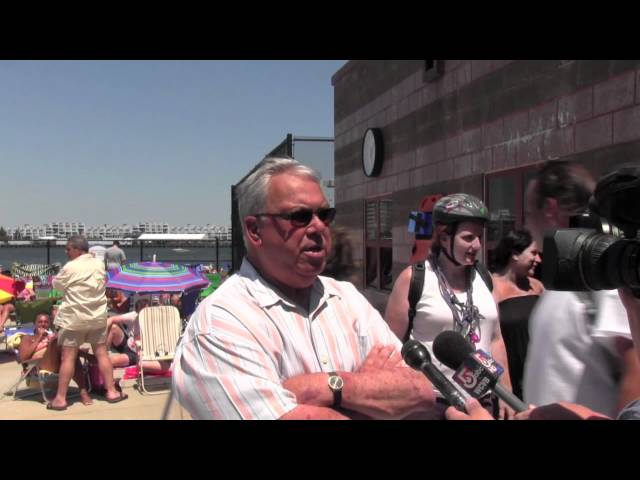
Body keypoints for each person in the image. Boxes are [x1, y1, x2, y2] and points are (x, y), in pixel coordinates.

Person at [172, 156, 437, 420]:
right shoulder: (222, 322)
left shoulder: (348, 300)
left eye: (324, 214)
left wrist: (327, 387)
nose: (319, 226)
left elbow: (422, 392)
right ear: (254, 230)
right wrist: (370, 394)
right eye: (299, 216)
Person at [522, 161, 640, 417]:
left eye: (529, 215)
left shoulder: (605, 273)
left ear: (550, 209)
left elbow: (637, 370)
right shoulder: (568, 278)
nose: (527, 227)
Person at [385, 193, 514, 419]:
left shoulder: (484, 278)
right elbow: (391, 347)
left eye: (480, 237)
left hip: (482, 403)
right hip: (431, 405)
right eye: (468, 237)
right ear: (444, 237)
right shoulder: (413, 279)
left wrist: (506, 393)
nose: (477, 245)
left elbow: (495, 339)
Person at [48, 235, 126, 410]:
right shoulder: (99, 264)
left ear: (77, 249)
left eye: (68, 249)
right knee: (102, 354)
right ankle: (111, 391)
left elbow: (57, 286)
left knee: (68, 358)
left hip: (74, 319)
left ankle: (60, 399)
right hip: (97, 317)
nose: (66, 252)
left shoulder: (70, 267)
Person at [491, 229, 543, 400]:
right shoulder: (492, 288)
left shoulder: (538, 287)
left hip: (538, 371)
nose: (538, 260)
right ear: (515, 254)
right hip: (510, 374)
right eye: (534, 253)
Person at [16, 312, 93, 405]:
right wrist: (39, 338)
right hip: (40, 365)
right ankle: (84, 388)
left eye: (46, 322)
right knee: (59, 342)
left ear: (50, 324)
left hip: (60, 362)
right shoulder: (28, 338)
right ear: (34, 324)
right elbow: (22, 358)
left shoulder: (52, 336)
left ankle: (83, 391)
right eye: (40, 322)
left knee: (70, 354)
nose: (43, 324)